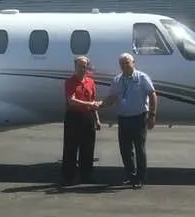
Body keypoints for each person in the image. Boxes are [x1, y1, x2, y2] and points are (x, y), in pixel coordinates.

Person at [98, 52, 157, 188]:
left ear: (133, 63)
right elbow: (112, 98)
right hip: (123, 119)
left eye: (127, 63)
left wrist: (152, 115)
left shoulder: (142, 78)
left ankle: (140, 178)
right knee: (125, 149)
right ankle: (131, 176)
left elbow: (152, 95)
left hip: (139, 118)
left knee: (139, 149)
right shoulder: (117, 80)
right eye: (122, 64)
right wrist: (100, 104)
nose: (125, 66)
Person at [61, 55, 100, 185]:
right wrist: (89, 105)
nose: (82, 69)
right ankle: (68, 177)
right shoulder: (70, 82)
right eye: (79, 66)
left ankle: (86, 175)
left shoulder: (90, 82)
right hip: (73, 117)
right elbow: (71, 101)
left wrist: (97, 119)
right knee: (70, 148)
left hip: (87, 117)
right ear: (75, 67)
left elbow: (93, 101)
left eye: (84, 67)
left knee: (88, 149)